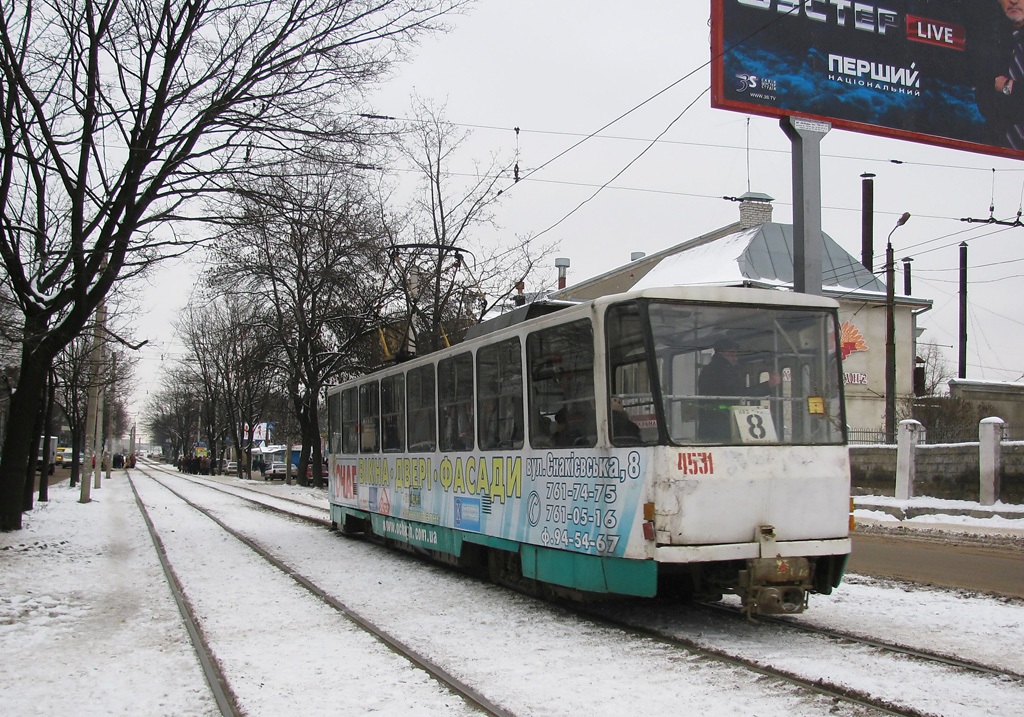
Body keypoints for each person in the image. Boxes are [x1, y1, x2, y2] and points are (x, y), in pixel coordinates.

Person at [697, 338, 779, 442]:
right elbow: (739, 394)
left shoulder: (707, 369)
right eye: (732, 353)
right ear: (723, 353)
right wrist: (768, 385)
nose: (735, 357)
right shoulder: (723, 370)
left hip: (708, 424)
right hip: (723, 423)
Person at [971, 1, 1024, 149]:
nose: (1014, 1)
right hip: (998, 153)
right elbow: (985, 102)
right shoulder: (988, 39)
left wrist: (1009, 87)